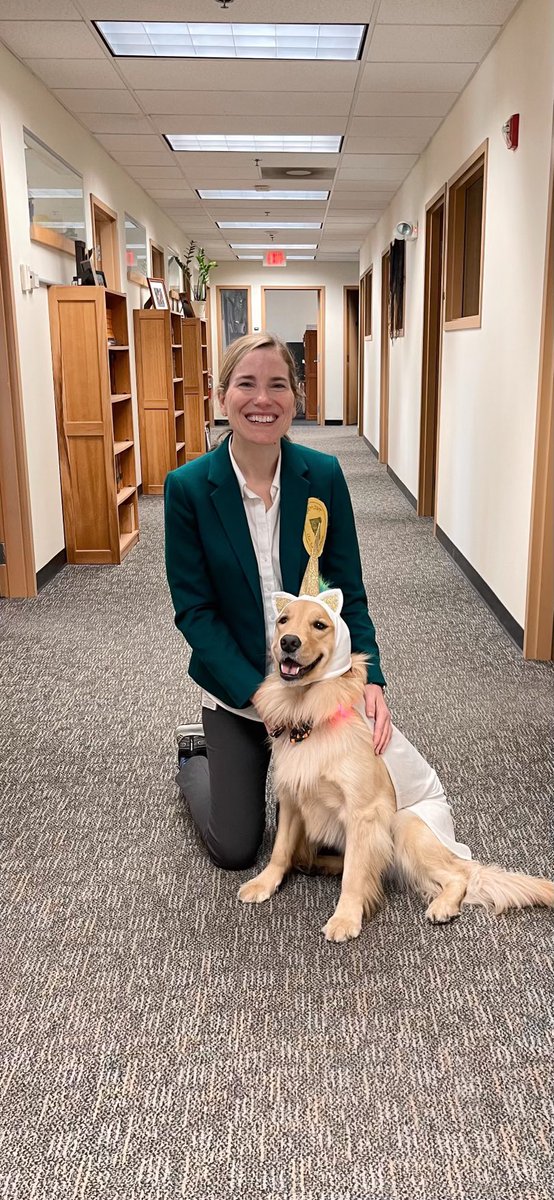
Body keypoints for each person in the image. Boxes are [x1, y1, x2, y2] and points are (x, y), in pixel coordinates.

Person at [164, 332, 465, 871]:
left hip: (316, 694)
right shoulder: (187, 488)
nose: (262, 400)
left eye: (278, 385)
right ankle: (196, 758)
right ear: (221, 394)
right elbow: (195, 611)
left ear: (296, 397)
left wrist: (370, 678)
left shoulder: (322, 476)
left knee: (328, 842)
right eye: (246, 384)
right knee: (236, 848)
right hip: (241, 693)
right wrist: (258, 696)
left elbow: (348, 587)